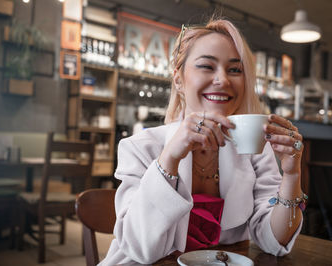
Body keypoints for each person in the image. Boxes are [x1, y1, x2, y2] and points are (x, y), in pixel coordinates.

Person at [99, 17, 305, 266]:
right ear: (178, 79)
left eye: (235, 70)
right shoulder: (141, 147)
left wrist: (292, 176)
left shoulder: (253, 151)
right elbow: (139, 248)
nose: (223, 80)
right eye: (207, 66)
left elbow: (274, 241)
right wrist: (170, 157)